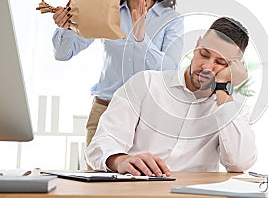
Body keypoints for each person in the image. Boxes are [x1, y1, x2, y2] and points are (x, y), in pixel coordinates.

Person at [85, 17, 257, 176]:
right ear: (197, 45)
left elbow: (239, 163)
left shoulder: (230, 108)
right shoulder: (146, 83)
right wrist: (120, 160)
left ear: (233, 68)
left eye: (220, 63)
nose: (206, 66)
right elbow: (101, 144)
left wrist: (222, 88)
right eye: (204, 54)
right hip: (137, 189)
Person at [51, 0, 184, 146]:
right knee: (98, 177)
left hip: (150, 118)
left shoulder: (171, 19)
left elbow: (169, 71)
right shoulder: (106, 10)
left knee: (145, 178)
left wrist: (141, 39)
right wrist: (66, 28)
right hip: (106, 111)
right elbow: (63, 54)